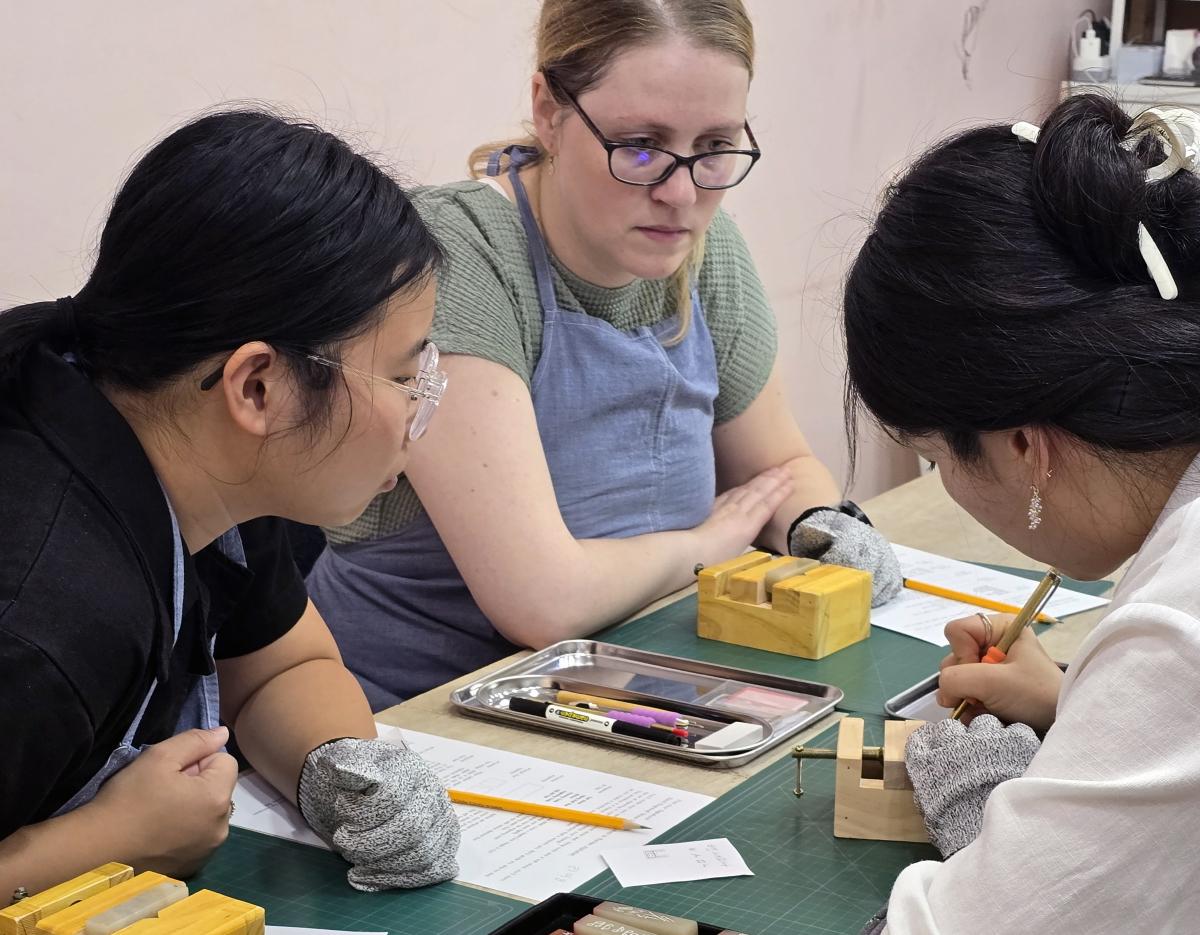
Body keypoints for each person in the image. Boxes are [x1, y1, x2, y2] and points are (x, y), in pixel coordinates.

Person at [307, 0, 903, 709]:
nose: (681, 194)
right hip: (423, 716)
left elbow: (779, 469)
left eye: (714, 148)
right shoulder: (458, 257)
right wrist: (709, 543)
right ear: (548, 111)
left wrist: (819, 527)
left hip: (621, 694)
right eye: (641, 146)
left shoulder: (703, 253)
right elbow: (542, 599)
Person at [0, 109, 462, 900]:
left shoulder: (215, 468)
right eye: (400, 375)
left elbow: (282, 661)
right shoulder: (38, 620)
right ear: (259, 386)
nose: (421, 407)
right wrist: (108, 840)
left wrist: (339, 761)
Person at [844, 94, 1200, 934]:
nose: (942, 483)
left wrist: (984, 809)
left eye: (935, 459)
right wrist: (1085, 703)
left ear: (1023, 447)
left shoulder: (1177, 628)